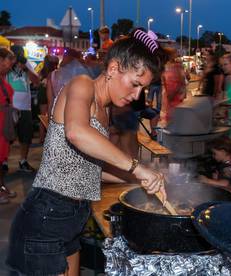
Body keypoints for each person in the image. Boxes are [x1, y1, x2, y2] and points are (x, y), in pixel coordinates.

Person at [6, 29, 168, 276]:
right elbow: (76, 133)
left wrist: (144, 178)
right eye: (135, 84)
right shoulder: (82, 85)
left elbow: (89, 169)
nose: (137, 95)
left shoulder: (105, 111)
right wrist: (137, 166)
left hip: (73, 217)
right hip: (47, 214)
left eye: (143, 89)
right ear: (113, 68)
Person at [6, 45, 40, 173]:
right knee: (7, 136)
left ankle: (23, 161)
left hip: (25, 107)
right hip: (9, 106)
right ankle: (3, 162)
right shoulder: (6, 64)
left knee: (26, 136)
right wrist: (11, 64)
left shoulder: (27, 64)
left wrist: (26, 68)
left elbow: (36, 81)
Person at [0, 48, 16, 204]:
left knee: (2, 159)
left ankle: (2, 187)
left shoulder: (3, 79)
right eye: (7, 61)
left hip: (4, 124)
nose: (10, 65)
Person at [38, 54, 59, 143]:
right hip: (50, 93)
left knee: (43, 116)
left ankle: (41, 137)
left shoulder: (42, 71)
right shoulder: (54, 71)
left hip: (42, 93)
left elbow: (38, 82)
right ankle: (47, 136)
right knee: (50, 115)